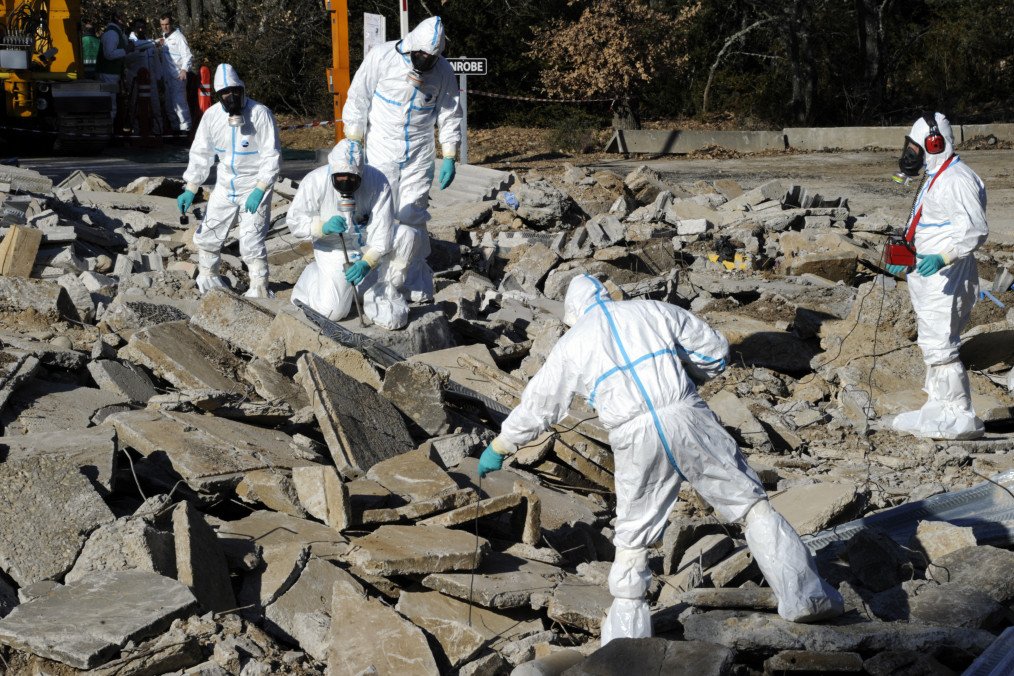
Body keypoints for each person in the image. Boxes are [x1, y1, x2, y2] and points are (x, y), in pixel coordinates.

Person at [478, 275, 844, 645]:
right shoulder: (653, 310)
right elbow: (714, 350)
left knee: (634, 534)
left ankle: (627, 642)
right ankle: (804, 597)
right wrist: (690, 376)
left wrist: (502, 446)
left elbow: (539, 405)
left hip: (633, 434)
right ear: (606, 294)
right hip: (687, 415)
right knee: (749, 504)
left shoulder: (571, 344)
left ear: (573, 311)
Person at [341, 16, 462, 305]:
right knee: (379, 211)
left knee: (412, 215)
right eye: (420, 55)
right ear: (410, 48)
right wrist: (355, 139)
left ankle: (408, 279)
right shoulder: (381, 57)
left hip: (419, 151)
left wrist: (449, 154)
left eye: (430, 58)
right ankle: (372, 276)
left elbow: (449, 112)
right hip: (382, 145)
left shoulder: (443, 71)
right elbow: (358, 97)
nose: (424, 61)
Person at [886, 113, 988, 440]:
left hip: (948, 278)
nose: (911, 155)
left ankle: (960, 415)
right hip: (929, 278)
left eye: (916, 148)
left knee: (942, 346)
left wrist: (941, 257)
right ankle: (937, 406)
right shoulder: (936, 176)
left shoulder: (957, 179)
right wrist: (906, 256)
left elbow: (974, 230)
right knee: (931, 343)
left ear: (934, 143)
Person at [178, 64, 280, 298]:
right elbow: (201, 153)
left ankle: (259, 287)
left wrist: (261, 187)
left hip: (253, 186)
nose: (231, 97)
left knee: (251, 240)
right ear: (218, 96)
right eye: (225, 93)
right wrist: (191, 187)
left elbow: (271, 155)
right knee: (209, 234)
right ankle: (208, 277)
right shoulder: (212, 116)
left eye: (235, 91)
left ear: (242, 89)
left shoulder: (259, 114)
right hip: (225, 185)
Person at [289, 139, 403, 324]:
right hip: (332, 249)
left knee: (372, 300)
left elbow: (383, 229)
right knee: (332, 312)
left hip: (366, 249)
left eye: (352, 180)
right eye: (340, 179)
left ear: (361, 174)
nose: (345, 184)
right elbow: (295, 221)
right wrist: (321, 227)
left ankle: (346, 286)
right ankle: (311, 276)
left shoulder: (377, 182)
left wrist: (368, 262)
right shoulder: (315, 181)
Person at [157, 14, 193, 133]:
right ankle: (175, 129)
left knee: (180, 104)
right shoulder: (164, 38)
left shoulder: (179, 37)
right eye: (162, 25)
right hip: (167, 77)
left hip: (178, 76)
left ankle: (186, 130)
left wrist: (184, 70)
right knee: (170, 105)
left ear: (171, 23)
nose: (165, 27)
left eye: (167, 24)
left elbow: (187, 55)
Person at [97, 14, 134, 125]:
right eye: (123, 17)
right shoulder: (112, 34)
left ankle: (109, 129)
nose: (126, 19)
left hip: (111, 73)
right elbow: (109, 54)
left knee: (110, 103)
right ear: (118, 19)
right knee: (110, 104)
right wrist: (126, 50)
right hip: (108, 74)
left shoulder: (115, 32)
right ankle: (108, 130)